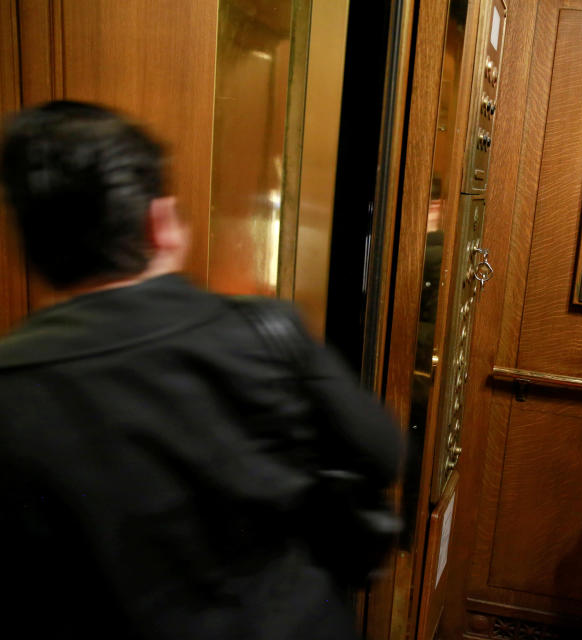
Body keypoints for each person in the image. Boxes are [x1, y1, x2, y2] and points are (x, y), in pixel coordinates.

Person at [0, 101, 402, 639]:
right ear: (158, 222)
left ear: (32, 247)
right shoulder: (267, 333)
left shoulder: (12, 388)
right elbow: (383, 451)